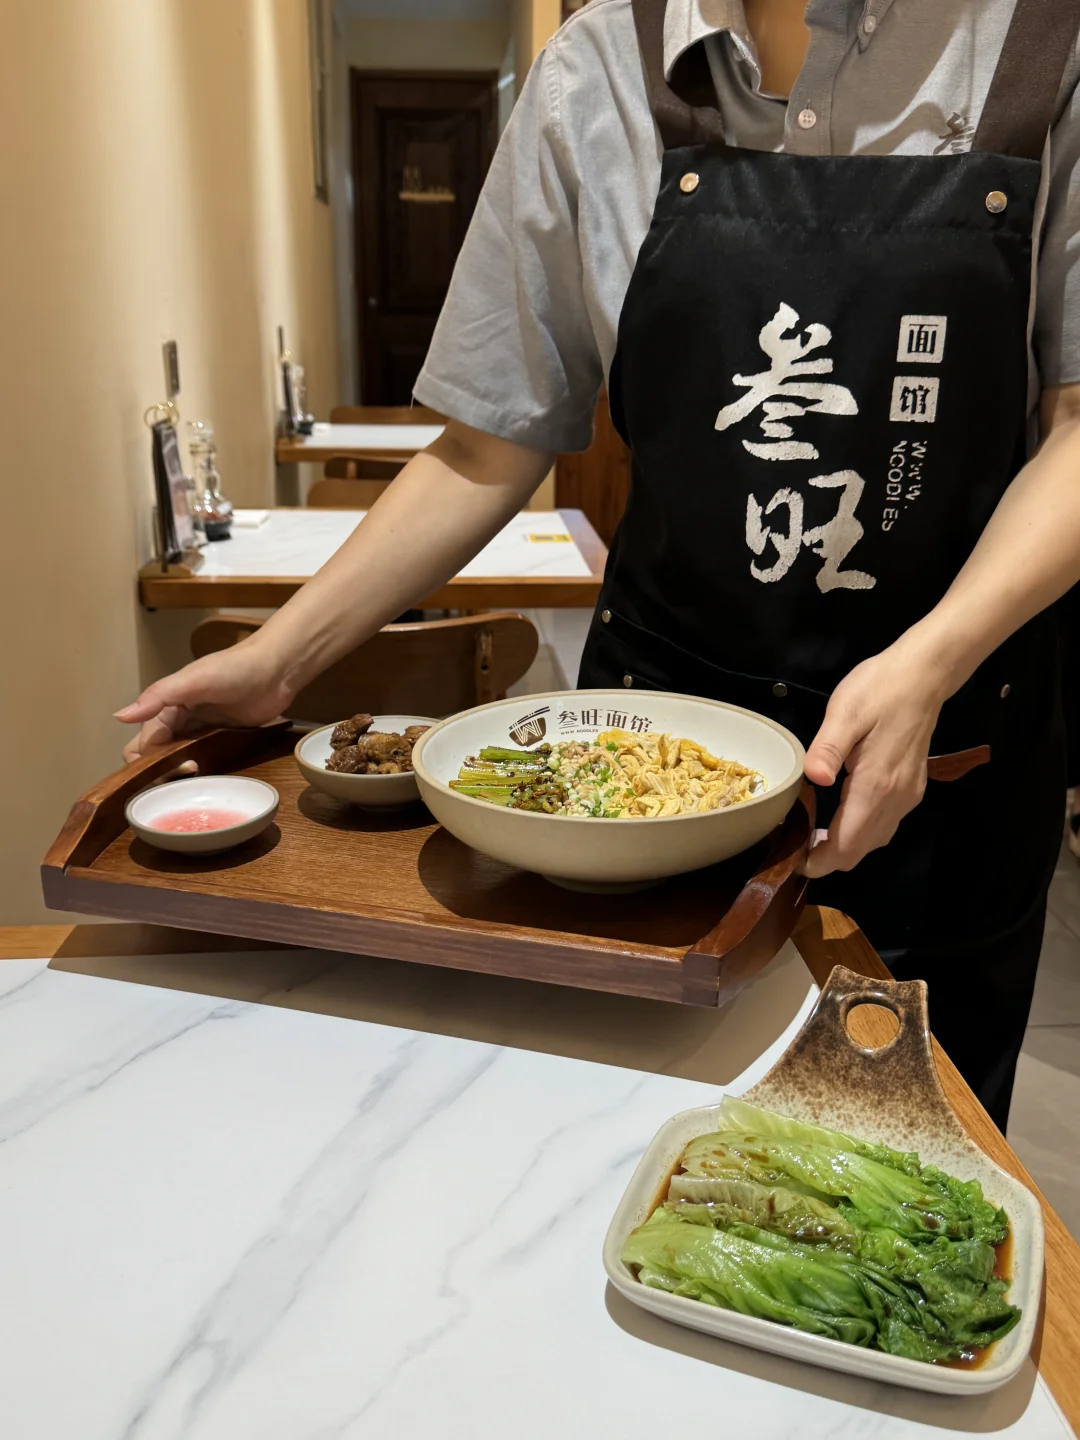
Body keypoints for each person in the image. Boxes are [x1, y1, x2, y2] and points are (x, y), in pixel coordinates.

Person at [119, 0, 1080, 1133]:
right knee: (617, 1152)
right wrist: (281, 661)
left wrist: (931, 659)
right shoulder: (594, 74)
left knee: (903, 1181)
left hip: (944, 761)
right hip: (648, 779)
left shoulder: (1043, 48)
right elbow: (487, 442)